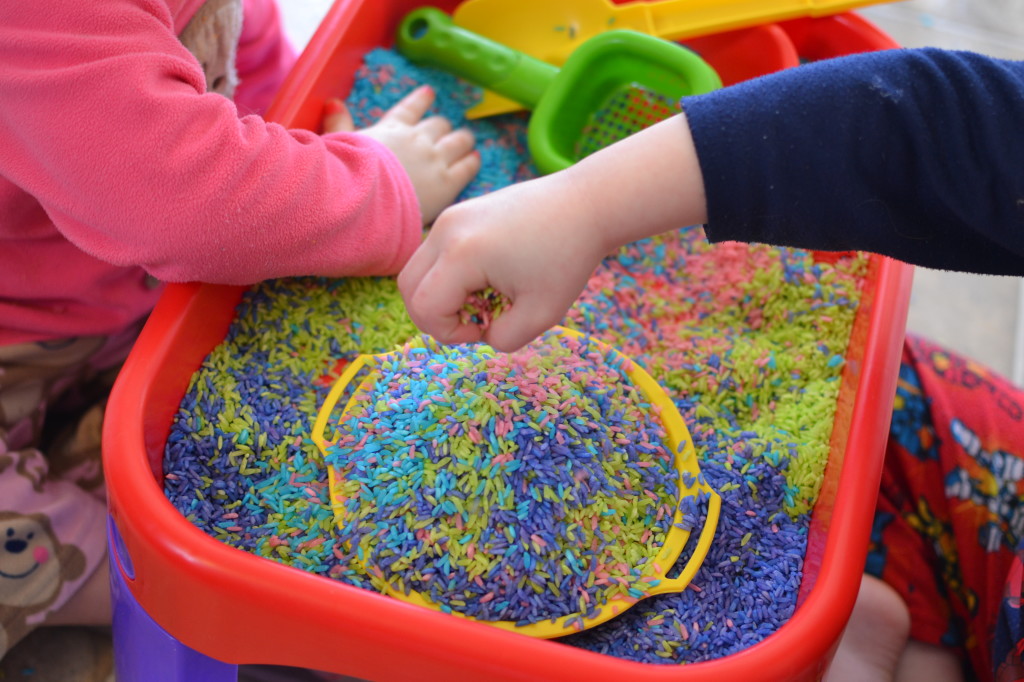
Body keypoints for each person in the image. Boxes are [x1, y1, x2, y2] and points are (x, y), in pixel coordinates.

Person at [398, 46, 1024, 681]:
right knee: (883, 403)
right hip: (1002, 504)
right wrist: (586, 205)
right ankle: (893, 620)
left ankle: (886, 638)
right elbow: (933, 128)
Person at [0, 0, 479, 663]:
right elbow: (181, 204)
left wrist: (302, 156)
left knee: (202, 437)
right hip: (17, 325)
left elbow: (240, 62)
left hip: (110, 299)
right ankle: (123, 579)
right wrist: (373, 183)